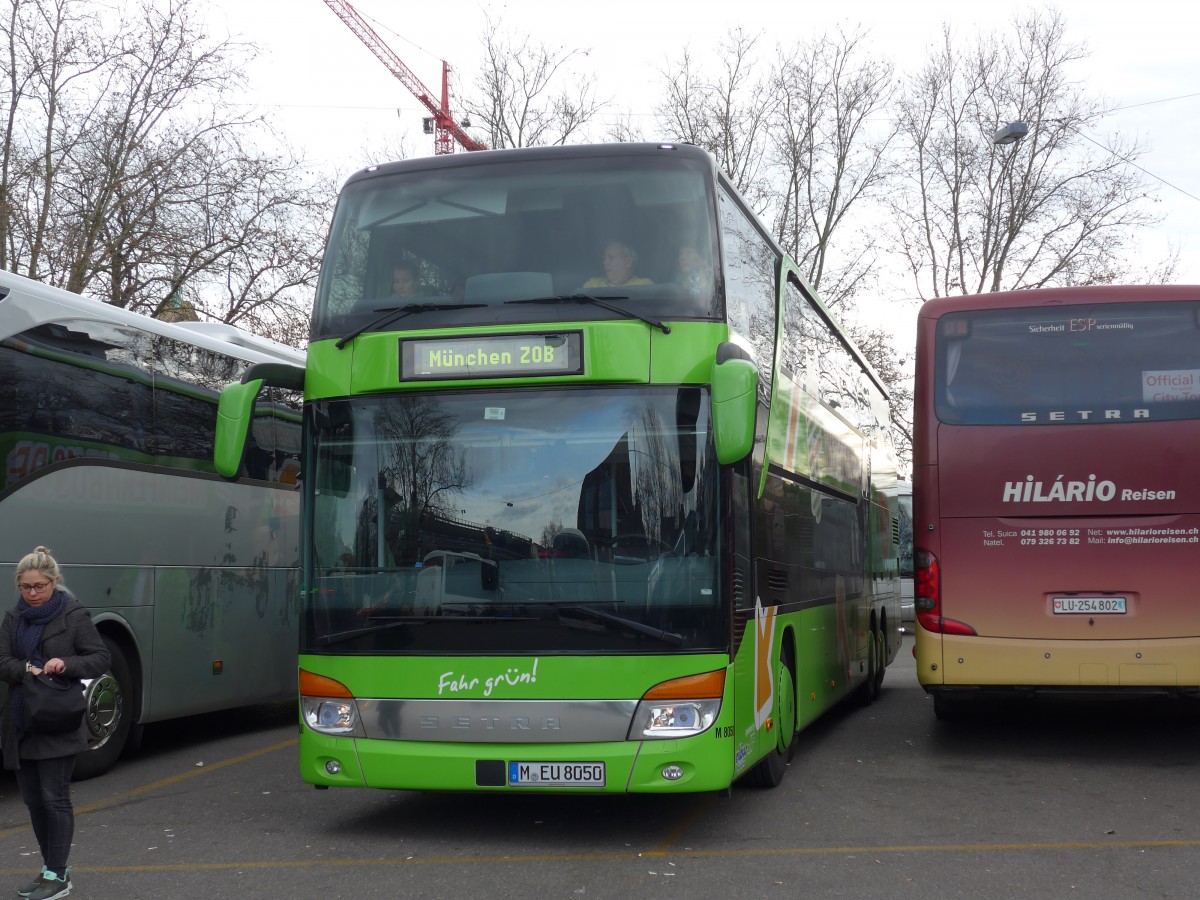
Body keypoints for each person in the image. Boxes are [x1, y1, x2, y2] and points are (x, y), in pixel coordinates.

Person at [0, 547, 110, 900]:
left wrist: (64, 663)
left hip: (56, 718)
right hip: (21, 721)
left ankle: (59, 875)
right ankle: (50, 869)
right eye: (25, 588)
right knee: (33, 800)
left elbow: (99, 658)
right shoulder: (13, 618)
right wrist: (25, 668)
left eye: (39, 587)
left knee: (54, 797)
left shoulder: (73, 615)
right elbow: (2, 661)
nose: (31, 594)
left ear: (54, 582)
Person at [581, 239, 653, 289]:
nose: (604, 263)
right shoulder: (593, 285)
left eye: (611, 258)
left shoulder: (644, 286)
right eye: (604, 258)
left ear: (628, 262)